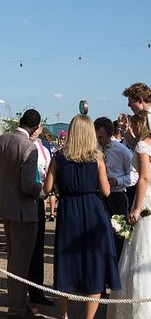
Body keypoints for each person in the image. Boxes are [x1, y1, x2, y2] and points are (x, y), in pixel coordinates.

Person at [44, 114, 120, 319]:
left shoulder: (58, 157)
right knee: (93, 264)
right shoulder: (96, 157)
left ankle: (64, 315)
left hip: (68, 212)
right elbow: (105, 191)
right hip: (93, 212)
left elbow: (47, 187)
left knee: (66, 262)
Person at [0, 109, 43, 319]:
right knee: (21, 261)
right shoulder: (28, 147)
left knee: (13, 258)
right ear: (37, 127)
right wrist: (44, 190)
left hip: (5, 206)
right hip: (24, 210)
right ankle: (17, 309)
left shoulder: (0, 141)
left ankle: (20, 304)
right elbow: (28, 184)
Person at [107, 113, 151, 319]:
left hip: (145, 199)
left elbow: (143, 178)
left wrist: (136, 208)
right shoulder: (141, 144)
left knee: (138, 249)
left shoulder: (144, 145)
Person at [94, 115, 137, 260]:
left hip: (117, 196)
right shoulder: (94, 149)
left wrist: (117, 181)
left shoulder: (122, 151)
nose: (98, 141)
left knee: (118, 235)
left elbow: (134, 175)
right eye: (96, 137)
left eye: (101, 137)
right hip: (98, 197)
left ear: (110, 134)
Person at [27, 125, 54, 307]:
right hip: (23, 198)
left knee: (37, 247)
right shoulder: (20, 145)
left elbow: (49, 171)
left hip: (38, 199)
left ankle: (37, 291)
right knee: (22, 250)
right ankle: (21, 291)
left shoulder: (44, 149)